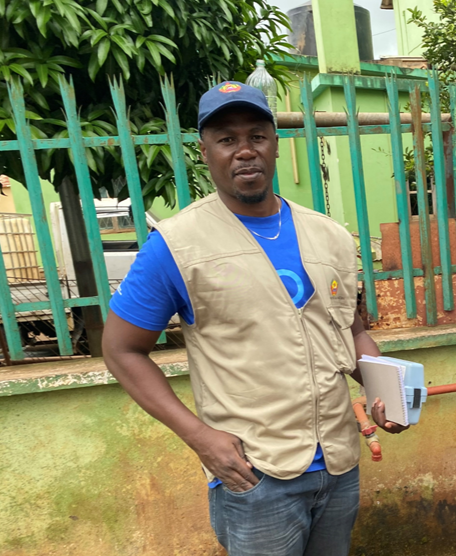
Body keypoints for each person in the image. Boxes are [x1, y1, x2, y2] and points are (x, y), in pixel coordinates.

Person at [102, 81, 406, 556]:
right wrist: (200, 438)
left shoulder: (329, 237)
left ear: (275, 145)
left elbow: (350, 330)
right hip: (255, 473)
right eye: (226, 140)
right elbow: (120, 348)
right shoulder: (176, 246)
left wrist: (383, 389)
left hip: (338, 467)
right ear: (205, 152)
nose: (244, 151)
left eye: (256, 136)